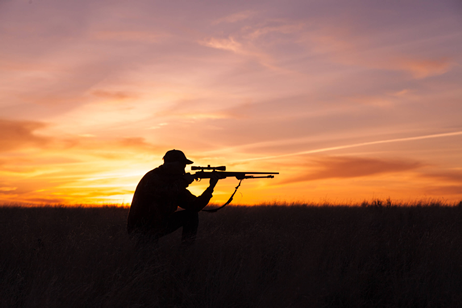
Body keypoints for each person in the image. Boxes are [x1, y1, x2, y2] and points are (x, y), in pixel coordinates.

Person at [127, 149, 219, 245]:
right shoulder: (153, 177)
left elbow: (195, 206)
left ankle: (186, 254)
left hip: (158, 223)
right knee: (147, 256)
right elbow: (165, 192)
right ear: (171, 164)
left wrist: (210, 188)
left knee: (191, 216)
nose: (183, 170)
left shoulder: (175, 182)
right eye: (182, 166)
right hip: (141, 228)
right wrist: (184, 182)